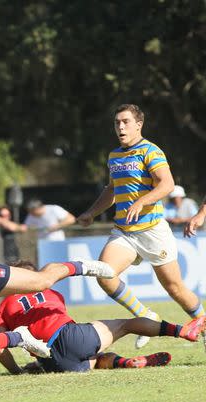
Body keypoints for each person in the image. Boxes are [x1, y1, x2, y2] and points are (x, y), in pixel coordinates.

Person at [77, 104, 204, 349]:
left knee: (175, 289)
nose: (120, 127)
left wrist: (142, 201)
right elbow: (112, 189)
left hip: (152, 231)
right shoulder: (114, 155)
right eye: (117, 122)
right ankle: (146, 315)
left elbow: (167, 184)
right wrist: (92, 212)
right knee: (104, 273)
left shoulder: (151, 151)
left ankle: (203, 322)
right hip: (125, 231)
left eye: (125, 121)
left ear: (139, 124)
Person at [0, 262, 206, 374]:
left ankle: (123, 362)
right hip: (70, 336)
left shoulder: (2, 307)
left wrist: (17, 371)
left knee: (95, 358)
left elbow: (0, 347)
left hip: (52, 363)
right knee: (126, 324)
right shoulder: (52, 292)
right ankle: (182, 331)